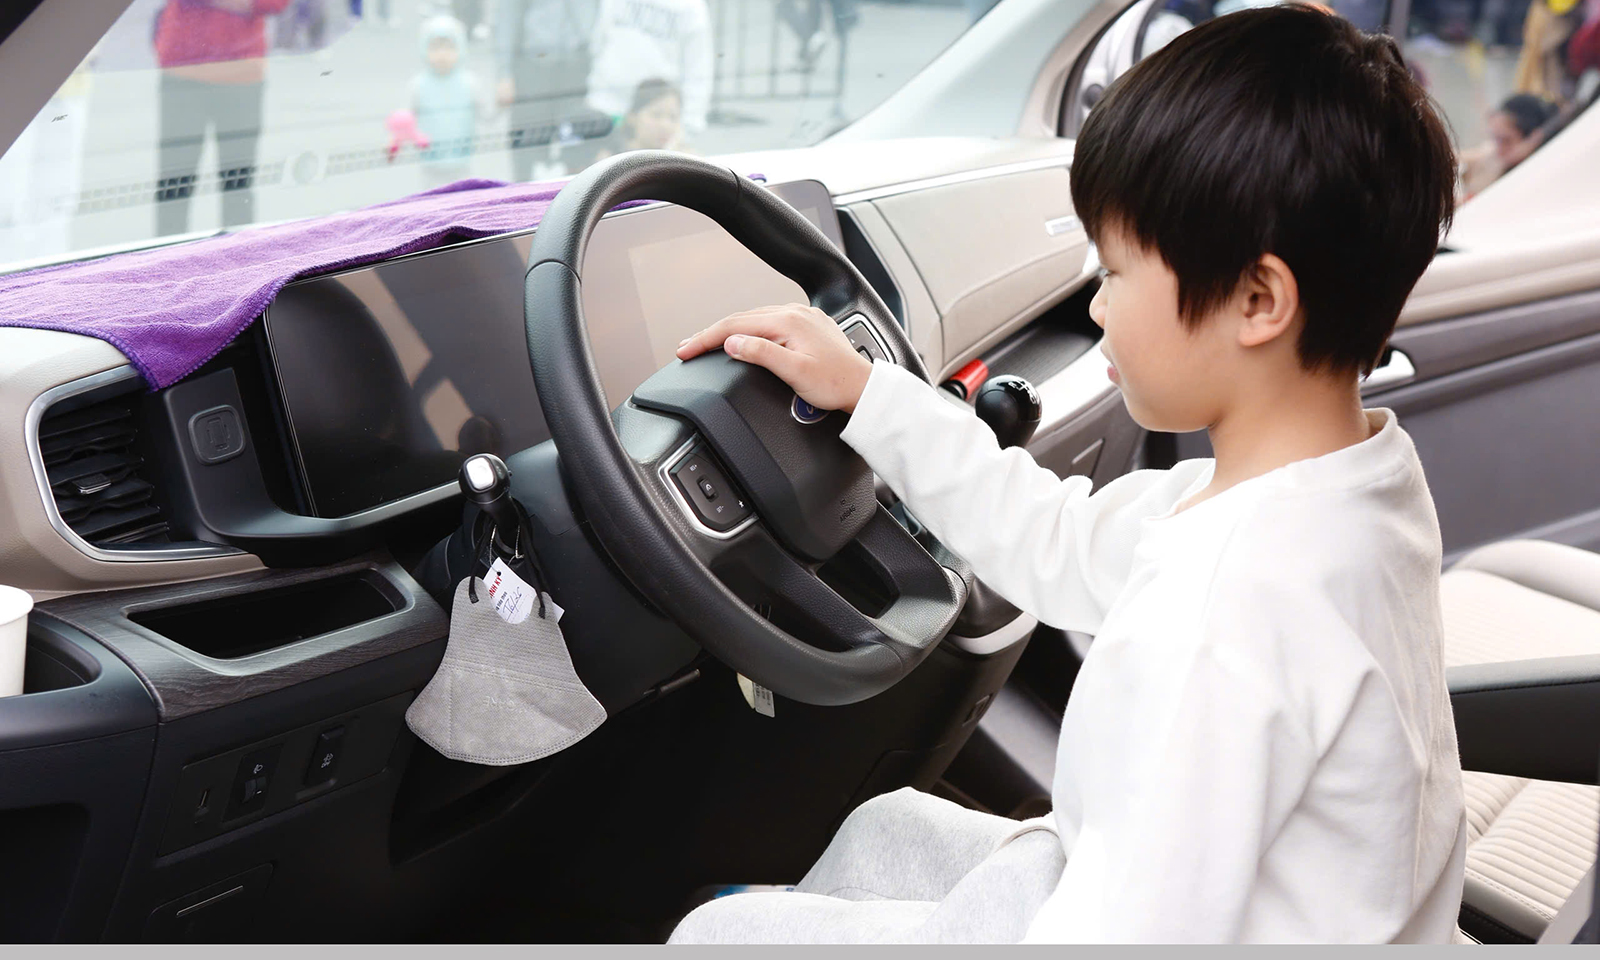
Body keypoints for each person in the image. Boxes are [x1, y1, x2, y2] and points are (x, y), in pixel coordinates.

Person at [670, 5, 1464, 943]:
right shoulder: (1346, 486)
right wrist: (871, 396)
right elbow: (1056, 540)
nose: (1095, 308)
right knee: (888, 829)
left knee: (710, 937)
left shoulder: (1222, 616)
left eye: (1117, 273)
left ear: (1258, 299)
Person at [153, 0, 292, 236]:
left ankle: (238, 254)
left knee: (237, 185)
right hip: (185, 71)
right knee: (175, 183)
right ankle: (167, 256)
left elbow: (274, 3)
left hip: (240, 74)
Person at [492, 0, 602, 182]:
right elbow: (507, 19)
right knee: (529, 143)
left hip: (578, 64)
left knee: (573, 142)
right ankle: (526, 192)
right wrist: (504, 73)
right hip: (534, 66)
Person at [585, 0, 712, 143]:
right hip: (606, 107)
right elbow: (599, 40)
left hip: (654, 118)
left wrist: (688, 126)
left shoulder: (691, 6)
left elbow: (698, 70)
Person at [410, 14, 489, 187]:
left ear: (461, 48)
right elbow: (409, 119)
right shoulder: (419, 85)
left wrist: (501, 104)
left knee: (465, 197)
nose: (442, 54)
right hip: (430, 163)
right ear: (424, 49)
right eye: (435, 48)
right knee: (433, 198)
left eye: (449, 47)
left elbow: (485, 116)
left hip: (463, 161)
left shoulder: (470, 83)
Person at [1459, 92, 1559, 198]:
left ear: (1532, 140)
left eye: (1505, 140)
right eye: (1495, 138)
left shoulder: (1537, 177)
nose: (1498, 149)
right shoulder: (1494, 154)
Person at [592, 78, 684, 160]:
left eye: (673, 117)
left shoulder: (681, 162)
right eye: (656, 115)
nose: (665, 125)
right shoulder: (610, 160)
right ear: (633, 117)